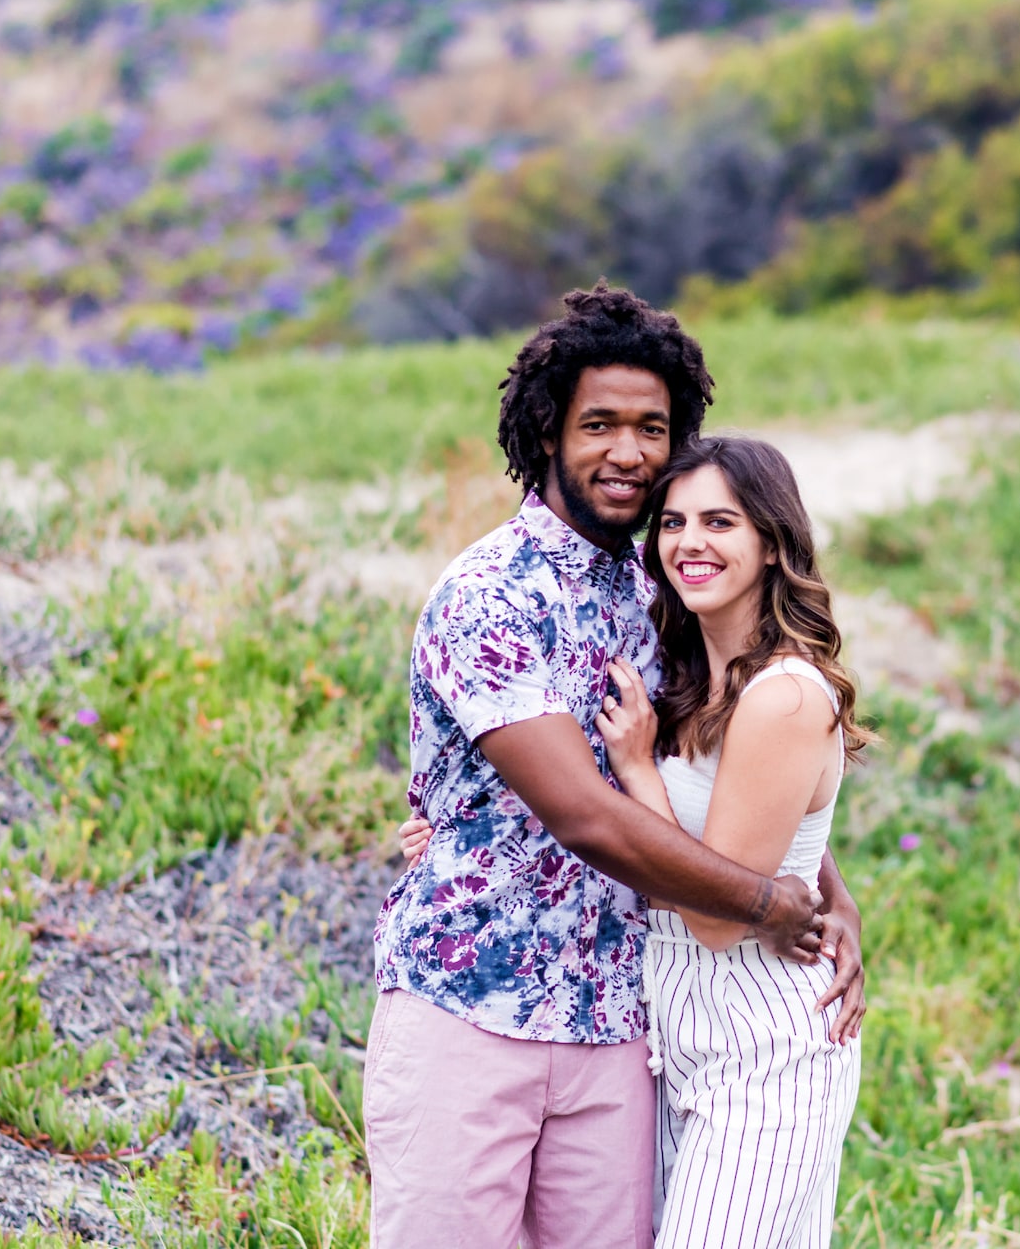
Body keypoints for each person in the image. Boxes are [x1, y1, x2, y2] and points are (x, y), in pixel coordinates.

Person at [368, 283, 864, 1249]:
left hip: (620, 1024)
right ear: (549, 431)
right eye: (600, 424)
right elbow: (585, 814)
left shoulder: (665, 591)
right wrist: (768, 903)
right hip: (473, 1005)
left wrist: (824, 887)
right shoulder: (489, 593)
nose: (629, 452)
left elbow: (737, 767)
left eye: (652, 428)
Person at [595, 435, 870, 1249]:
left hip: (764, 1043)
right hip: (681, 1031)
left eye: (721, 521)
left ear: (772, 543)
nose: (691, 542)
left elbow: (720, 915)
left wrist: (637, 769)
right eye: (674, 522)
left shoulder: (784, 695)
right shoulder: (695, 674)